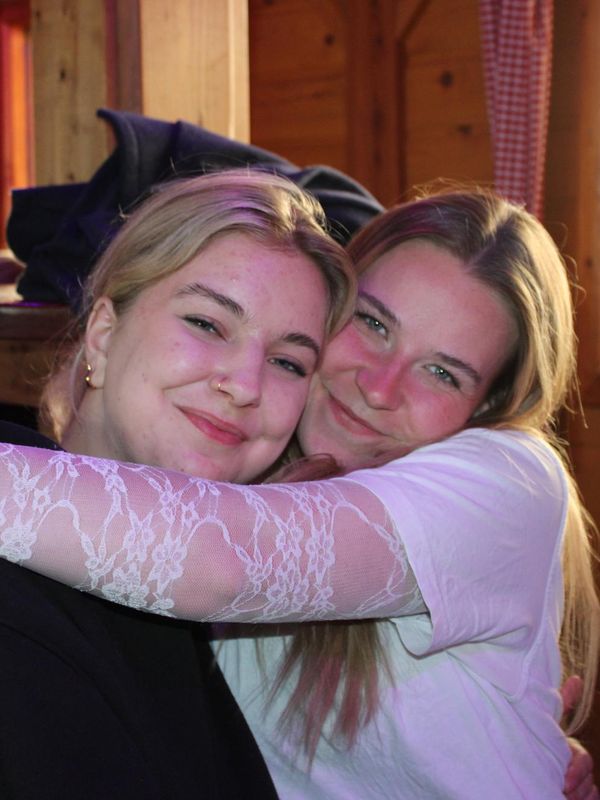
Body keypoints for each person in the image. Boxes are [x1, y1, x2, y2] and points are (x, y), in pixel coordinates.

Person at [0, 187, 598, 798]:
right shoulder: (239, 498)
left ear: (487, 409)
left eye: (443, 373)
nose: (379, 387)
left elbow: (221, 557)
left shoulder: (503, 479)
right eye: (372, 323)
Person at [0, 167, 355, 799]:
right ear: (103, 335)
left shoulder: (225, 607)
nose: (244, 385)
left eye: (286, 361)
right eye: (207, 323)